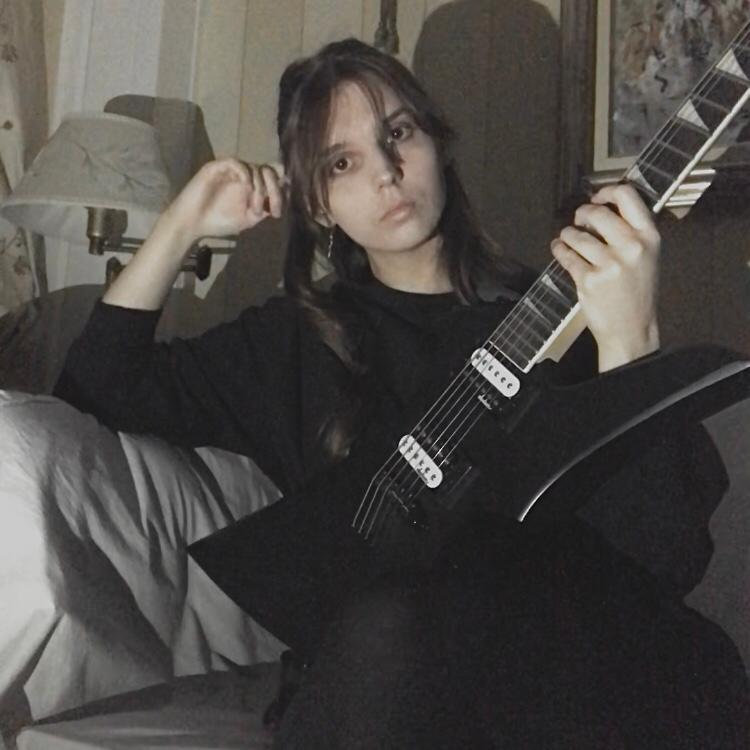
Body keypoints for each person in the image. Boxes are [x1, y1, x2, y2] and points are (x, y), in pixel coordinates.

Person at [54, 38, 748, 748]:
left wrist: (630, 338)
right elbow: (96, 383)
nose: (386, 172)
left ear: (438, 144)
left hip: (566, 665)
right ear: (318, 204)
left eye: (399, 133)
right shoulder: (295, 342)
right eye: (342, 162)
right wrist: (181, 222)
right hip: (394, 674)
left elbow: (665, 558)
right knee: (386, 630)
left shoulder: (576, 309)